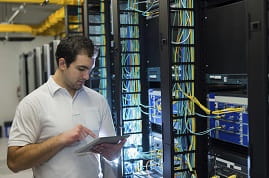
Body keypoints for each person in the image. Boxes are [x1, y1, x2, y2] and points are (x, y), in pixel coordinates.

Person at [7, 36, 126, 178]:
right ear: (62, 63)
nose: (87, 76)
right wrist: (61, 139)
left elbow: (113, 155)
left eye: (90, 69)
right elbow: (14, 162)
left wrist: (113, 153)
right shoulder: (32, 103)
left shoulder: (98, 101)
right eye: (81, 69)